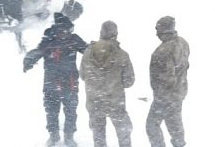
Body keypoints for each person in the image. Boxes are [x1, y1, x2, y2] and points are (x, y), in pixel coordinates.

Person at [24, 12, 88, 147]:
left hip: (70, 82)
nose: (67, 33)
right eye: (66, 30)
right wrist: (29, 59)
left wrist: (97, 50)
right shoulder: (49, 40)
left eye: (69, 30)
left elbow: (87, 51)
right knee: (51, 110)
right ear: (59, 29)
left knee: (70, 110)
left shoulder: (74, 39)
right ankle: (53, 135)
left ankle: (69, 136)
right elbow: (38, 52)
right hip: (51, 83)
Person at [80, 21, 135, 147]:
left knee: (99, 137)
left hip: (94, 102)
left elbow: (83, 76)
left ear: (100, 33)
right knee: (124, 135)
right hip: (115, 103)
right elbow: (129, 81)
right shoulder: (122, 55)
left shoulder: (88, 53)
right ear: (115, 35)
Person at [146, 16, 190, 147]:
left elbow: (167, 78)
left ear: (162, 31)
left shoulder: (162, 51)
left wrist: (160, 95)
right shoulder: (183, 42)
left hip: (165, 96)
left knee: (152, 125)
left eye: (157, 29)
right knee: (175, 126)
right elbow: (185, 65)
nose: (156, 33)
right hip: (179, 92)